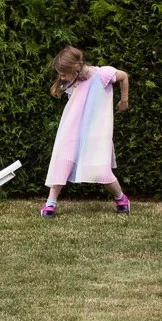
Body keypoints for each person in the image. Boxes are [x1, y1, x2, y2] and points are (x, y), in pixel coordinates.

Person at [42, 46, 131, 217]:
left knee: (100, 169)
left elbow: (124, 76)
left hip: (95, 131)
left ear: (76, 68)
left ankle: (121, 198)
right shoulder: (72, 81)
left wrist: (124, 100)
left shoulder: (102, 75)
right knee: (63, 161)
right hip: (71, 129)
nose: (61, 77)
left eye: (63, 73)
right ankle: (50, 203)